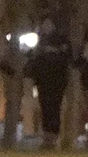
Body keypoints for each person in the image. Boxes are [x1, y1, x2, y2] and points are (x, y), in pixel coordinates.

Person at [25, 16, 74, 150]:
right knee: (44, 105)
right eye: (44, 24)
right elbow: (31, 57)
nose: (46, 26)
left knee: (55, 106)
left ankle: (54, 135)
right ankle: (46, 135)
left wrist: (54, 52)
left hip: (57, 79)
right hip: (42, 79)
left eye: (49, 23)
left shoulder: (62, 40)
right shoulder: (38, 41)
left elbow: (68, 56)